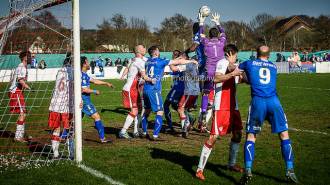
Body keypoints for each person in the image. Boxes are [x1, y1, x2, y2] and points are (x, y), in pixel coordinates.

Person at [238, 45, 298, 184]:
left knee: (251, 136)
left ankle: (247, 170)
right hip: (274, 102)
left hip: (258, 102)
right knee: (284, 135)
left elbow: (235, 71)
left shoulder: (249, 62)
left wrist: (235, 68)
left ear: (256, 53)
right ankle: (290, 170)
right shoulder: (273, 66)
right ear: (269, 55)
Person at [195, 44, 243, 181]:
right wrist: (233, 74)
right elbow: (216, 78)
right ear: (230, 53)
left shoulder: (234, 64)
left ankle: (231, 164)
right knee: (213, 137)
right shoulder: (222, 62)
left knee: (238, 134)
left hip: (234, 106)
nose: (236, 57)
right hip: (221, 106)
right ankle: (199, 169)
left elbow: (238, 77)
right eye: (235, 55)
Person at [141, 45, 198, 140]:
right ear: (155, 52)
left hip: (145, 89)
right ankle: (155, 135)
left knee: (147, 111)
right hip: (154, 89)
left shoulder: (147, 61)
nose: (159, 52)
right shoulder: (160, 61)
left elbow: (175, 65)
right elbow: (177, 63)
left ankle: (143, 132)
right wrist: (191, 61)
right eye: (158, 50)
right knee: (160, 111)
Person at [198, 12, 226, 127]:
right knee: (219, 94)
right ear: (218, 35)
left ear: (209, 35)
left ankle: (204, 111)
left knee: (205, 92)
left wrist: (201, 22)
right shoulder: (222, 41)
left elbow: (201, 35)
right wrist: (218, 23)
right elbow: (223, 33)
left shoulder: (207, 42)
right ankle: (217, 117)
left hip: (209, 72)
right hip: (221, 72)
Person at [119, 45, 151, 139]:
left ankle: (136, 131)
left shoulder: (134, 59)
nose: (145, 49)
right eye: (144, 47)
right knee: (134, 110)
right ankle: (123, 131)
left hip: (135, 89)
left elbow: (128, 68)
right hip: (130, 89)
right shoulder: (139, 61)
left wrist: (122, 76)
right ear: (140, 50)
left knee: (140, 109)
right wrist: (152, 79)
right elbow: (144, 76)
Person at [81, 56, 114, 143]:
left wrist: (106, 83)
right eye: (87, 62)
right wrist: (94, 91)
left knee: (75, 120)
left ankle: (64, 136)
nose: (89, 64)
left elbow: (94, 81)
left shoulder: (84, 74)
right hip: (83, 100)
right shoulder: (80, 75)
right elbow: (82, 89)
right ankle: (102, 138)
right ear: (84, 64)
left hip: (84, 99)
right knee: (96, 116)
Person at [48, 54, 74, 158]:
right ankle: (72, 154)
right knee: (69, 129)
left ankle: (56, 153)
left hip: (55, 104)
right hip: (66, 104)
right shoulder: (72, 71)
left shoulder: (59, 71)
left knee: (56, 129)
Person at [172, 54, 200, 138]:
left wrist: (174, 60)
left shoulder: (187, 65)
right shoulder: (196, 65)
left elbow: (173, 68)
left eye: (182, 57)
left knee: (180, 108)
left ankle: (186, 127)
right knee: (185, 109)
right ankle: (189, 122)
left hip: (189, 91)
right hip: (195, 91)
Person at [8, 51, 32, 142]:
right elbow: (20, 80)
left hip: (17, 92)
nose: (31, 58)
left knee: (23, 113)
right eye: (29, 56)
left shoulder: (22, 66)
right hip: (16, 92)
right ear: (25, 57)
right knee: (22, 113)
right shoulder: (22, 67)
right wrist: (29, 87)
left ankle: (21, 134)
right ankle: (18, 137)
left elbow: (14, 79)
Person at [163, 50, 185, 132]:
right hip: (179, 88)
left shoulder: (179, 63)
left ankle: (170, 126)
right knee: (176, 106)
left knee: (166, 105)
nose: (173, 55)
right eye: (173, 54)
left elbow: (174, 70)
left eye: (175, 54)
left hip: (177, 89)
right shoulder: (180, 63)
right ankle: (189, 118)